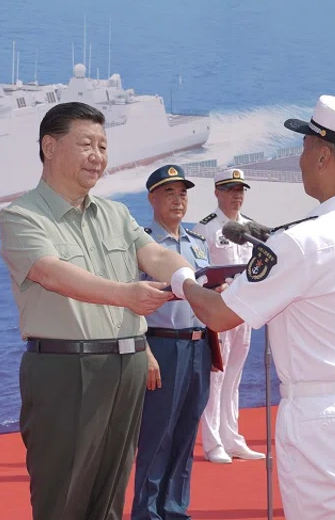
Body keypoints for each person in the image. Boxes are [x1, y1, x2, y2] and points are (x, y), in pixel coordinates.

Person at [182, 95, 335, 519]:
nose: (301, 158)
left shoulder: (300, 242)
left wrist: (181, 279)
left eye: (305, 147)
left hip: (325, 420)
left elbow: (217, 315)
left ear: (324, 155)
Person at [0, 102, 202, 520]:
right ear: (49, 147)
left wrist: (189, 282)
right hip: (67, 370)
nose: (98, 156)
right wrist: (126, 295)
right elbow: (51, 273)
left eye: (103, 146)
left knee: (109, 495)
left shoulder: (115, 213)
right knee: (64, 497)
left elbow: (155, 255)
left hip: (125, 367)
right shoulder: (22, 216)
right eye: (86, 144)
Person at [132, 164, 214, 520]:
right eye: (169, 192)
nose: (178, 200)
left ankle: (175, 510)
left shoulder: (198, 243)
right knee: (157, 435)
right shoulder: (142, 244)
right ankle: (147, 513)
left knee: (185, 435)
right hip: (162, 346)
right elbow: (128, 303)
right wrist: (145, 353)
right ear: (152, 198)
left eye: (183, 193)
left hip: (199, 345)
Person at [191, 168, 265, 463]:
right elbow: (196, 273)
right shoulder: (205, 228)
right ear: (217, 193)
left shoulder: (251, 229)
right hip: (218, 313)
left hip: (244, 313)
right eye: (231, 190)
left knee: (234, 379)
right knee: (216, 378)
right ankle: (213, 443)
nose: (237, 196)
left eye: (241, 190)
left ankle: (232, 438)